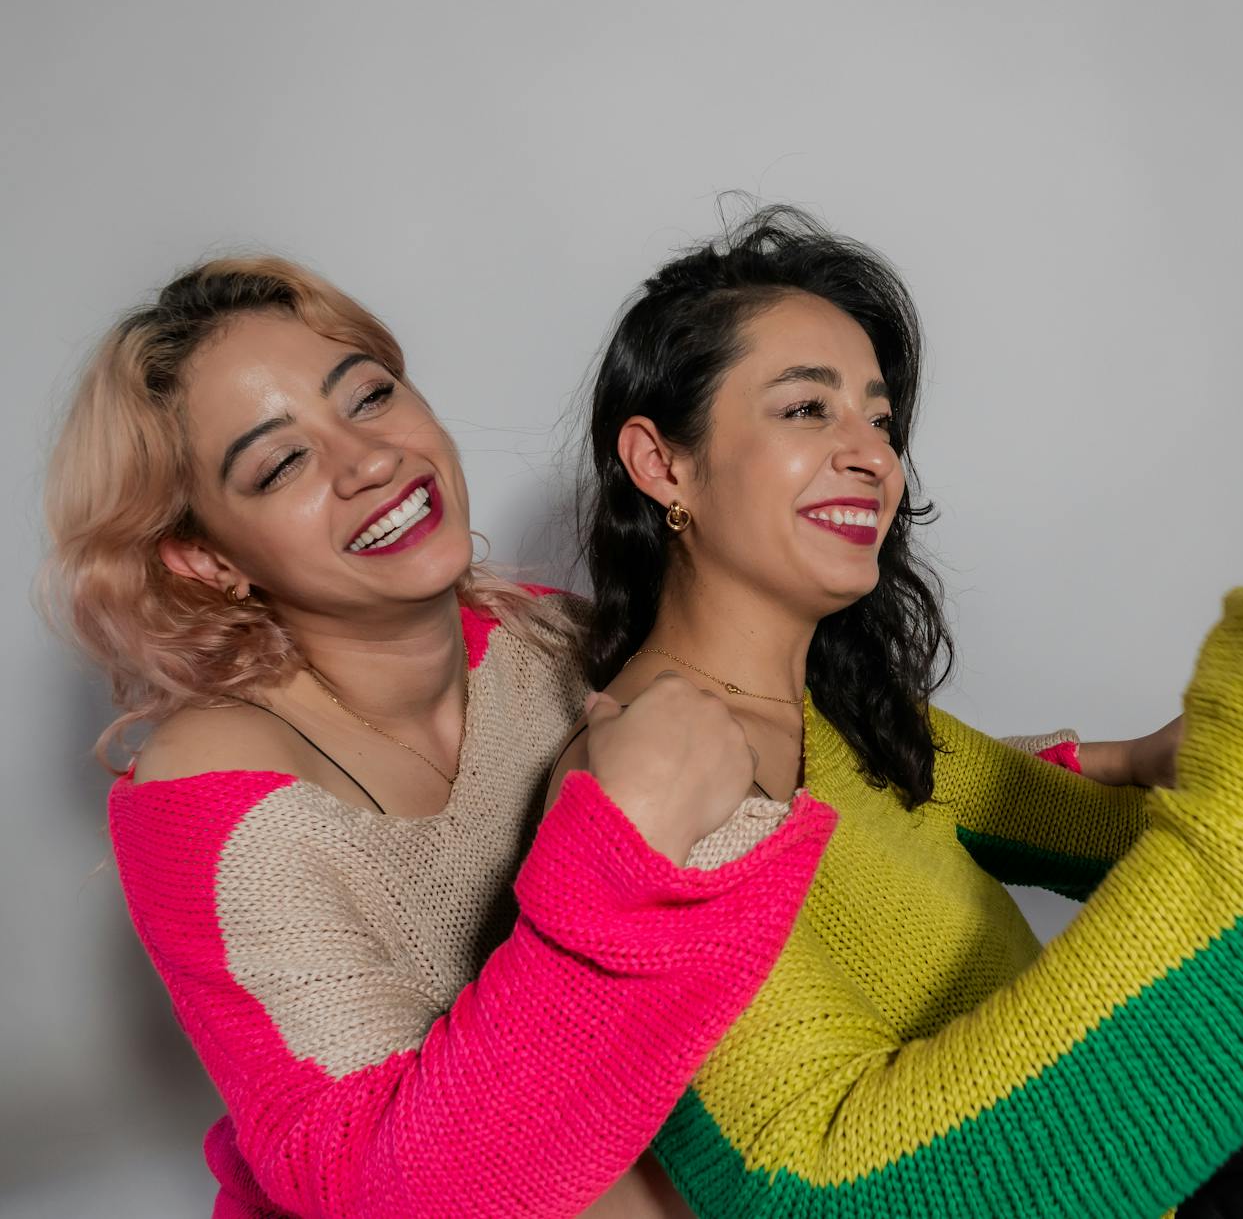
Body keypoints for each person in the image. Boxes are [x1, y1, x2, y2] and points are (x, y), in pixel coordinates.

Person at [555, 206, 1243, 1216]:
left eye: (881, 418)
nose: (872, 458)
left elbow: (1103, 821)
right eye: (808, 408)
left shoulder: (847, 723)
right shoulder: (652, 787)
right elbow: (815, 1191)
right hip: (1052, 1176)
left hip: (1153, 1159)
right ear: (661, 463)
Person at [40, 257, 841, 1218]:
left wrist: (1039, 772)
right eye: (281, 464)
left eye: (371, 396)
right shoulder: (213, 798)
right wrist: (618, 853)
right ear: (208, 559)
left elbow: (800, 749)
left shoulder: (550, 641)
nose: (370, 460)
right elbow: (399, 1194)